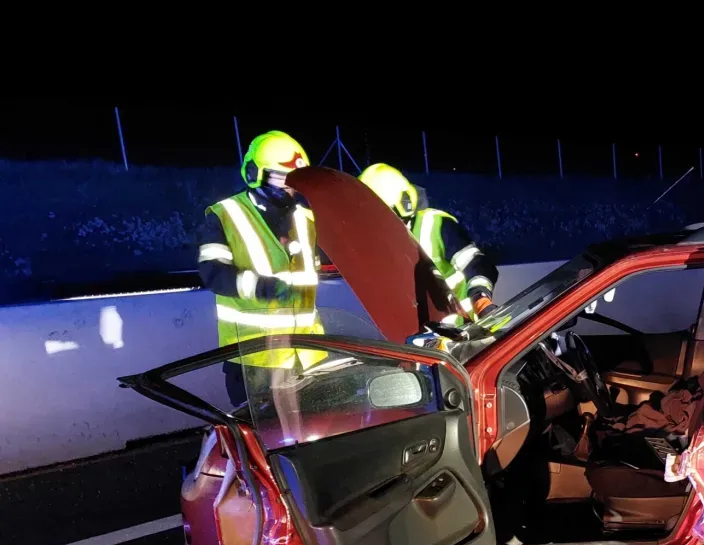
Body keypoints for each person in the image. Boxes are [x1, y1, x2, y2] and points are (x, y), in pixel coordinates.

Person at [197, 130, 326, 406]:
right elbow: (214, 273)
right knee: (262, 440)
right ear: (255, 172)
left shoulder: (307, 218)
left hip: (308, 353)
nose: (289, 187)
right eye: (280, 177)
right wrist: (263, 287)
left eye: (294, 180)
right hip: (255, 360)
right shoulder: (225, 215)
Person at [358, 162, 500, 328]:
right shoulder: (373, 244)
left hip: (460, 332)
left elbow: (477, 264)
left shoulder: (435, 225)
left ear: (403, 205)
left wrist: (480, 299)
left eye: (380, 216)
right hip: (412, 342)